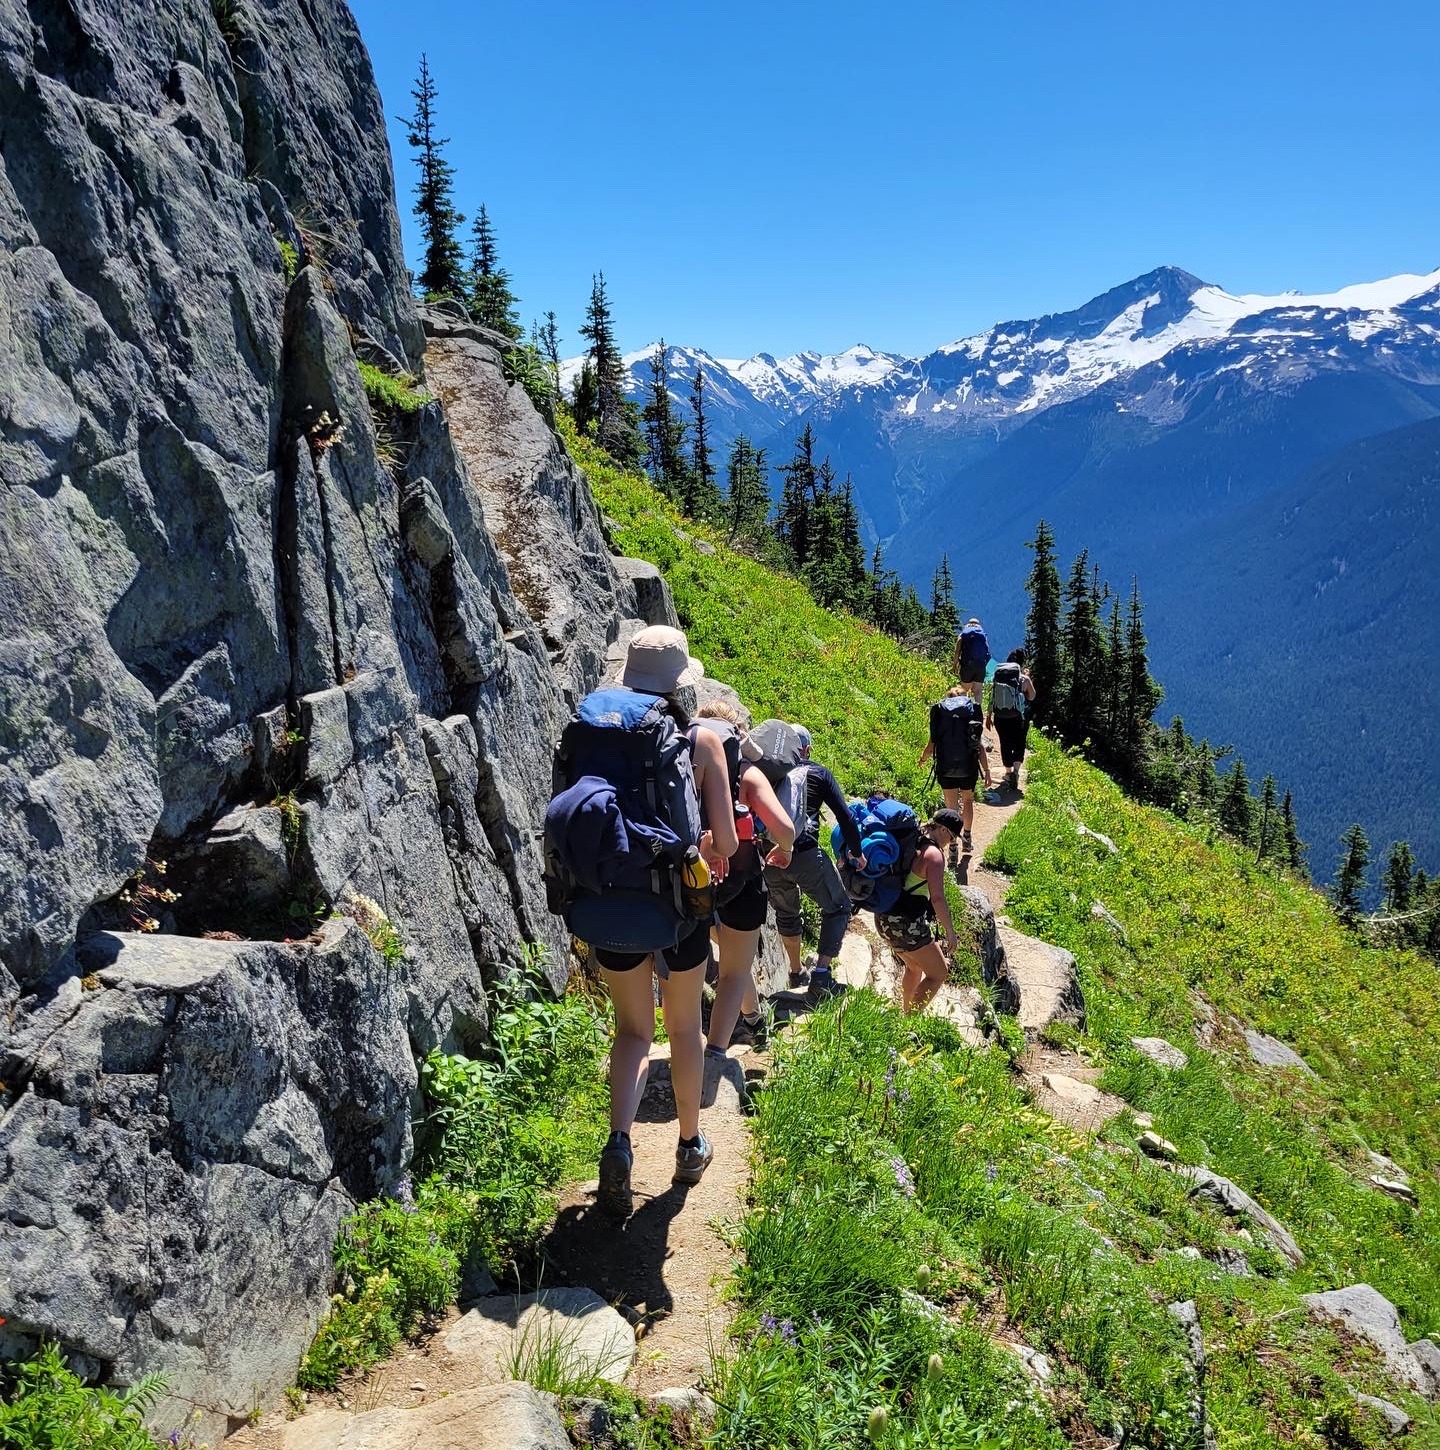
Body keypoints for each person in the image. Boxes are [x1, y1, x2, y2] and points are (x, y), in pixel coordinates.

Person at [569, 627, 739, 1217]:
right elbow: (723, 842)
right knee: (684, 1027)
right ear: (679, 684)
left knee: (632, 1031)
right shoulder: (701, 742)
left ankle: (619, 1141)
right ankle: (689, 1147)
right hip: (680, 910)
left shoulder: (594, 732)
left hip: (610, 898)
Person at [691, 701, 797, 1055]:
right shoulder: (746, 773)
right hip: (740, 880)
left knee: (728, 955)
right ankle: (716, 1053)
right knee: (734, 971)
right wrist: (785, 849)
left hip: (690, 876)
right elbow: (784, 829)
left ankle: (752, 1018)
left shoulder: (681, 759)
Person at [763, 724, 866, 1002]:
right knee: (839, 907)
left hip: (770, 855)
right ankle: (821, 976)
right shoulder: (818, 773)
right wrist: (856, 851)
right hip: (804, 852)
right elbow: (845, 817)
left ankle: (796, 972)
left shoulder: (768, 771)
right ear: (807, 750)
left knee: (787, 913)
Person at [872, 808, 964, 1014]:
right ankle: (910, 1021)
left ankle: (905, 1013)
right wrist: (950, 932)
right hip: (906, 924)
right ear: (942, 829)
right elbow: (938, 898)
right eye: (951, 836)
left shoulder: (914, 840)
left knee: (914, 968)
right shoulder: (934, 856)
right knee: (939, 973)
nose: (951, 842)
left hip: (884, 918)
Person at [919, 686, 993, 855]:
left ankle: (952, 845)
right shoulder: (971, 712)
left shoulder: (941, 714)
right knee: (968, 801)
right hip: (969, 766)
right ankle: (966, 837)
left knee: (951, 808)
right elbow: (979, 746)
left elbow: (931, 745)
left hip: (946, 767)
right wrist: (987, 771)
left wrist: (922, 759)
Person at [986, 648, 1036, 790]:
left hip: (1000, 716)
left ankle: (1008, 773)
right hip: (1018, 717)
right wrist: (1026, 679)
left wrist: (989, 715)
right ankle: (1016, 772)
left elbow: (992, 696)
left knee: (1005, 742)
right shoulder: (1023, 678)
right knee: (1019, 742)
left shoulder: (999, 676)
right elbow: (1032, 696)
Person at [950, 617, 990, 706]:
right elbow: (987, 653)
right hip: (980, 666)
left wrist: (954, 666)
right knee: (978, 691)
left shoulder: (963, 634)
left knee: (964, 690)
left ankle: (964, 711)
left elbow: (957, 652)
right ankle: (978, 714)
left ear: (968, 624)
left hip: (967, 665)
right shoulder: (982, 635)